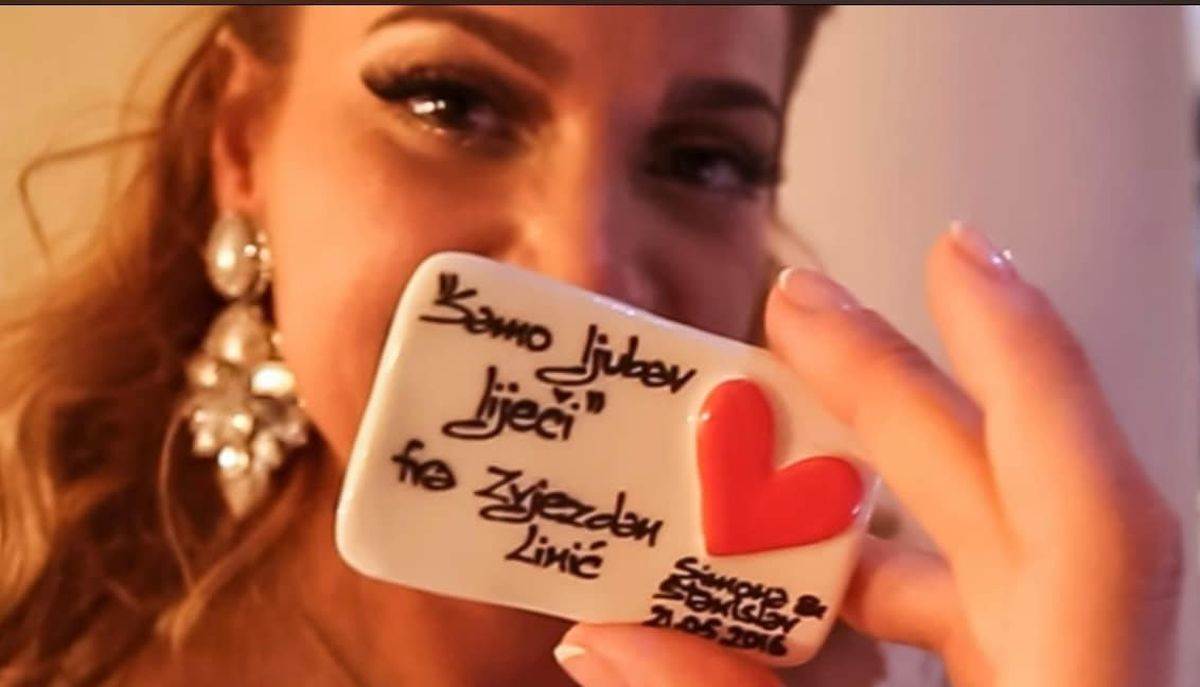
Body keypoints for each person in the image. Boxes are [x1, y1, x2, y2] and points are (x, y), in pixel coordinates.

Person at [0, 6, 1182, 686]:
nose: (585, 273)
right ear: (242, 143)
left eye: (704, 160)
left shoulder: (893, 650)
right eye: (451, 103)